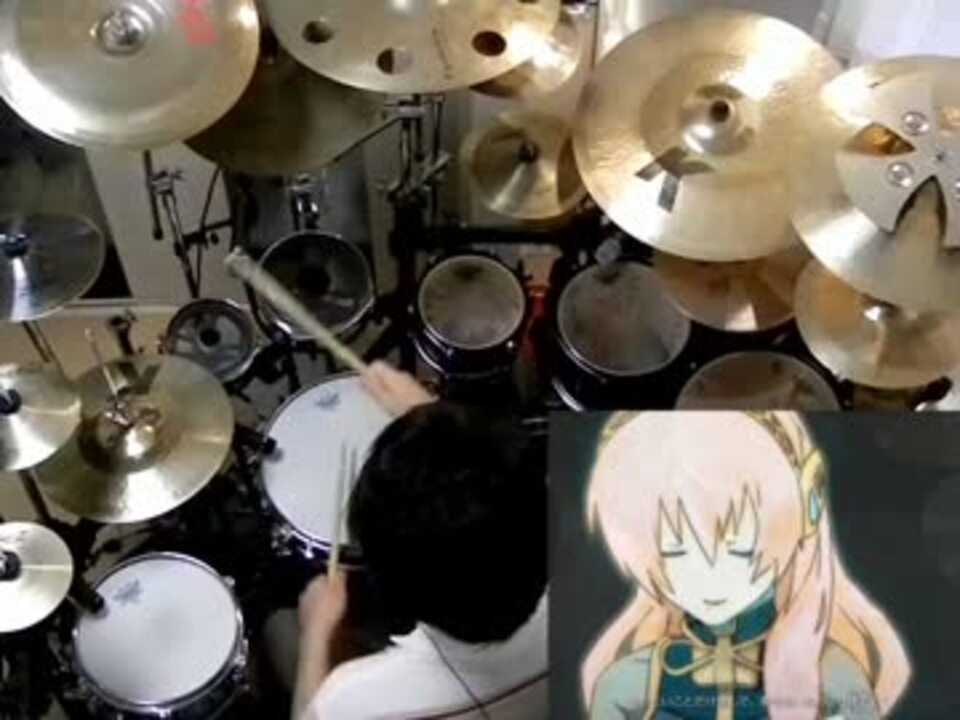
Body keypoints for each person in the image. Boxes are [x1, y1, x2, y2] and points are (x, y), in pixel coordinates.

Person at [582, 411, 911, 720]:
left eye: (740, 550)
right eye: (675, 553)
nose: (710, 578)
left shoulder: (832, 673)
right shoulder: (628, 683)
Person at [290, 361, 548, 720]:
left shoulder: (352, 701)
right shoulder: (614, 553)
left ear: (391, 594)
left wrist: (315, 633)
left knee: (280, 627)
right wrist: (438, 424)